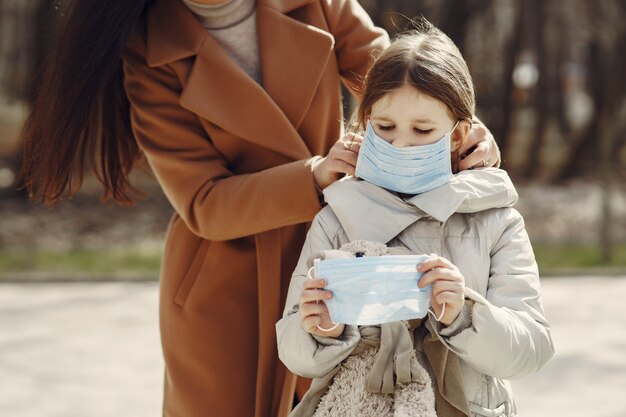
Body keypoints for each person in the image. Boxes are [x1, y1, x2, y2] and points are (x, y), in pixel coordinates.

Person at [20, 1, 502, 416]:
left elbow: (400, 79)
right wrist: (313, 175)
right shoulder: (149, 52)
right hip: (225, 286)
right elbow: (204, 201)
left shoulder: (318, 3)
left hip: (338, 253)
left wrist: (466, 129)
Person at [276, 20, 554, 417]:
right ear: (366, 120)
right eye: (385, 127)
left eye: (423, 129)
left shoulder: (496, 221)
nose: (401, 143)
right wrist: (321, 331)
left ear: (458, 136)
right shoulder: (336, 217)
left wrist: (465, 314)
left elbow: (531, 349)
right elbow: (293, 350)